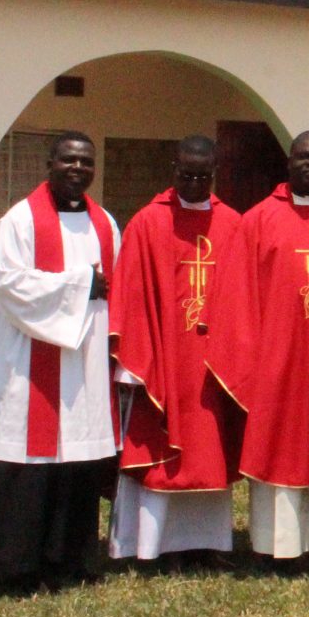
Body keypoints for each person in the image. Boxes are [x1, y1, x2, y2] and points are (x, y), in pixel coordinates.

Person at [0, 131, 121, 593]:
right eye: (69, 160)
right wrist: (80, 285)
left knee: (77, 463)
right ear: (50, 163)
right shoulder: (20, 221)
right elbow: (11, 287)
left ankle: (69, 562)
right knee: (27, 464)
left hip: (86, 365)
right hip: (31, 363)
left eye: (86, 162)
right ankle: (12, 568)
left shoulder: (105, 224)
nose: (77, 169)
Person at [208, 130, 309, 562]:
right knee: (281, 447)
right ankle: (276, 546)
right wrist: (251, 364)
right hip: (279, 363)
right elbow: (237, 297)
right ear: (289, 162)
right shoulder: (259, 219)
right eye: (304, 157)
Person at [107, 135, 242, 566]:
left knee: (211, 449)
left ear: (215, 174)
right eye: (187, 174)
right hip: (164, 356)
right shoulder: (148, 222)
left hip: (212, 361)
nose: (195, 183)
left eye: (204, 176)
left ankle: (209, 544)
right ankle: (151, 547)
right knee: (159, 448)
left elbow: (244, 297)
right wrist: (136, 360)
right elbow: (130, 290)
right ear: (173, 170)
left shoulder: (232, 224)